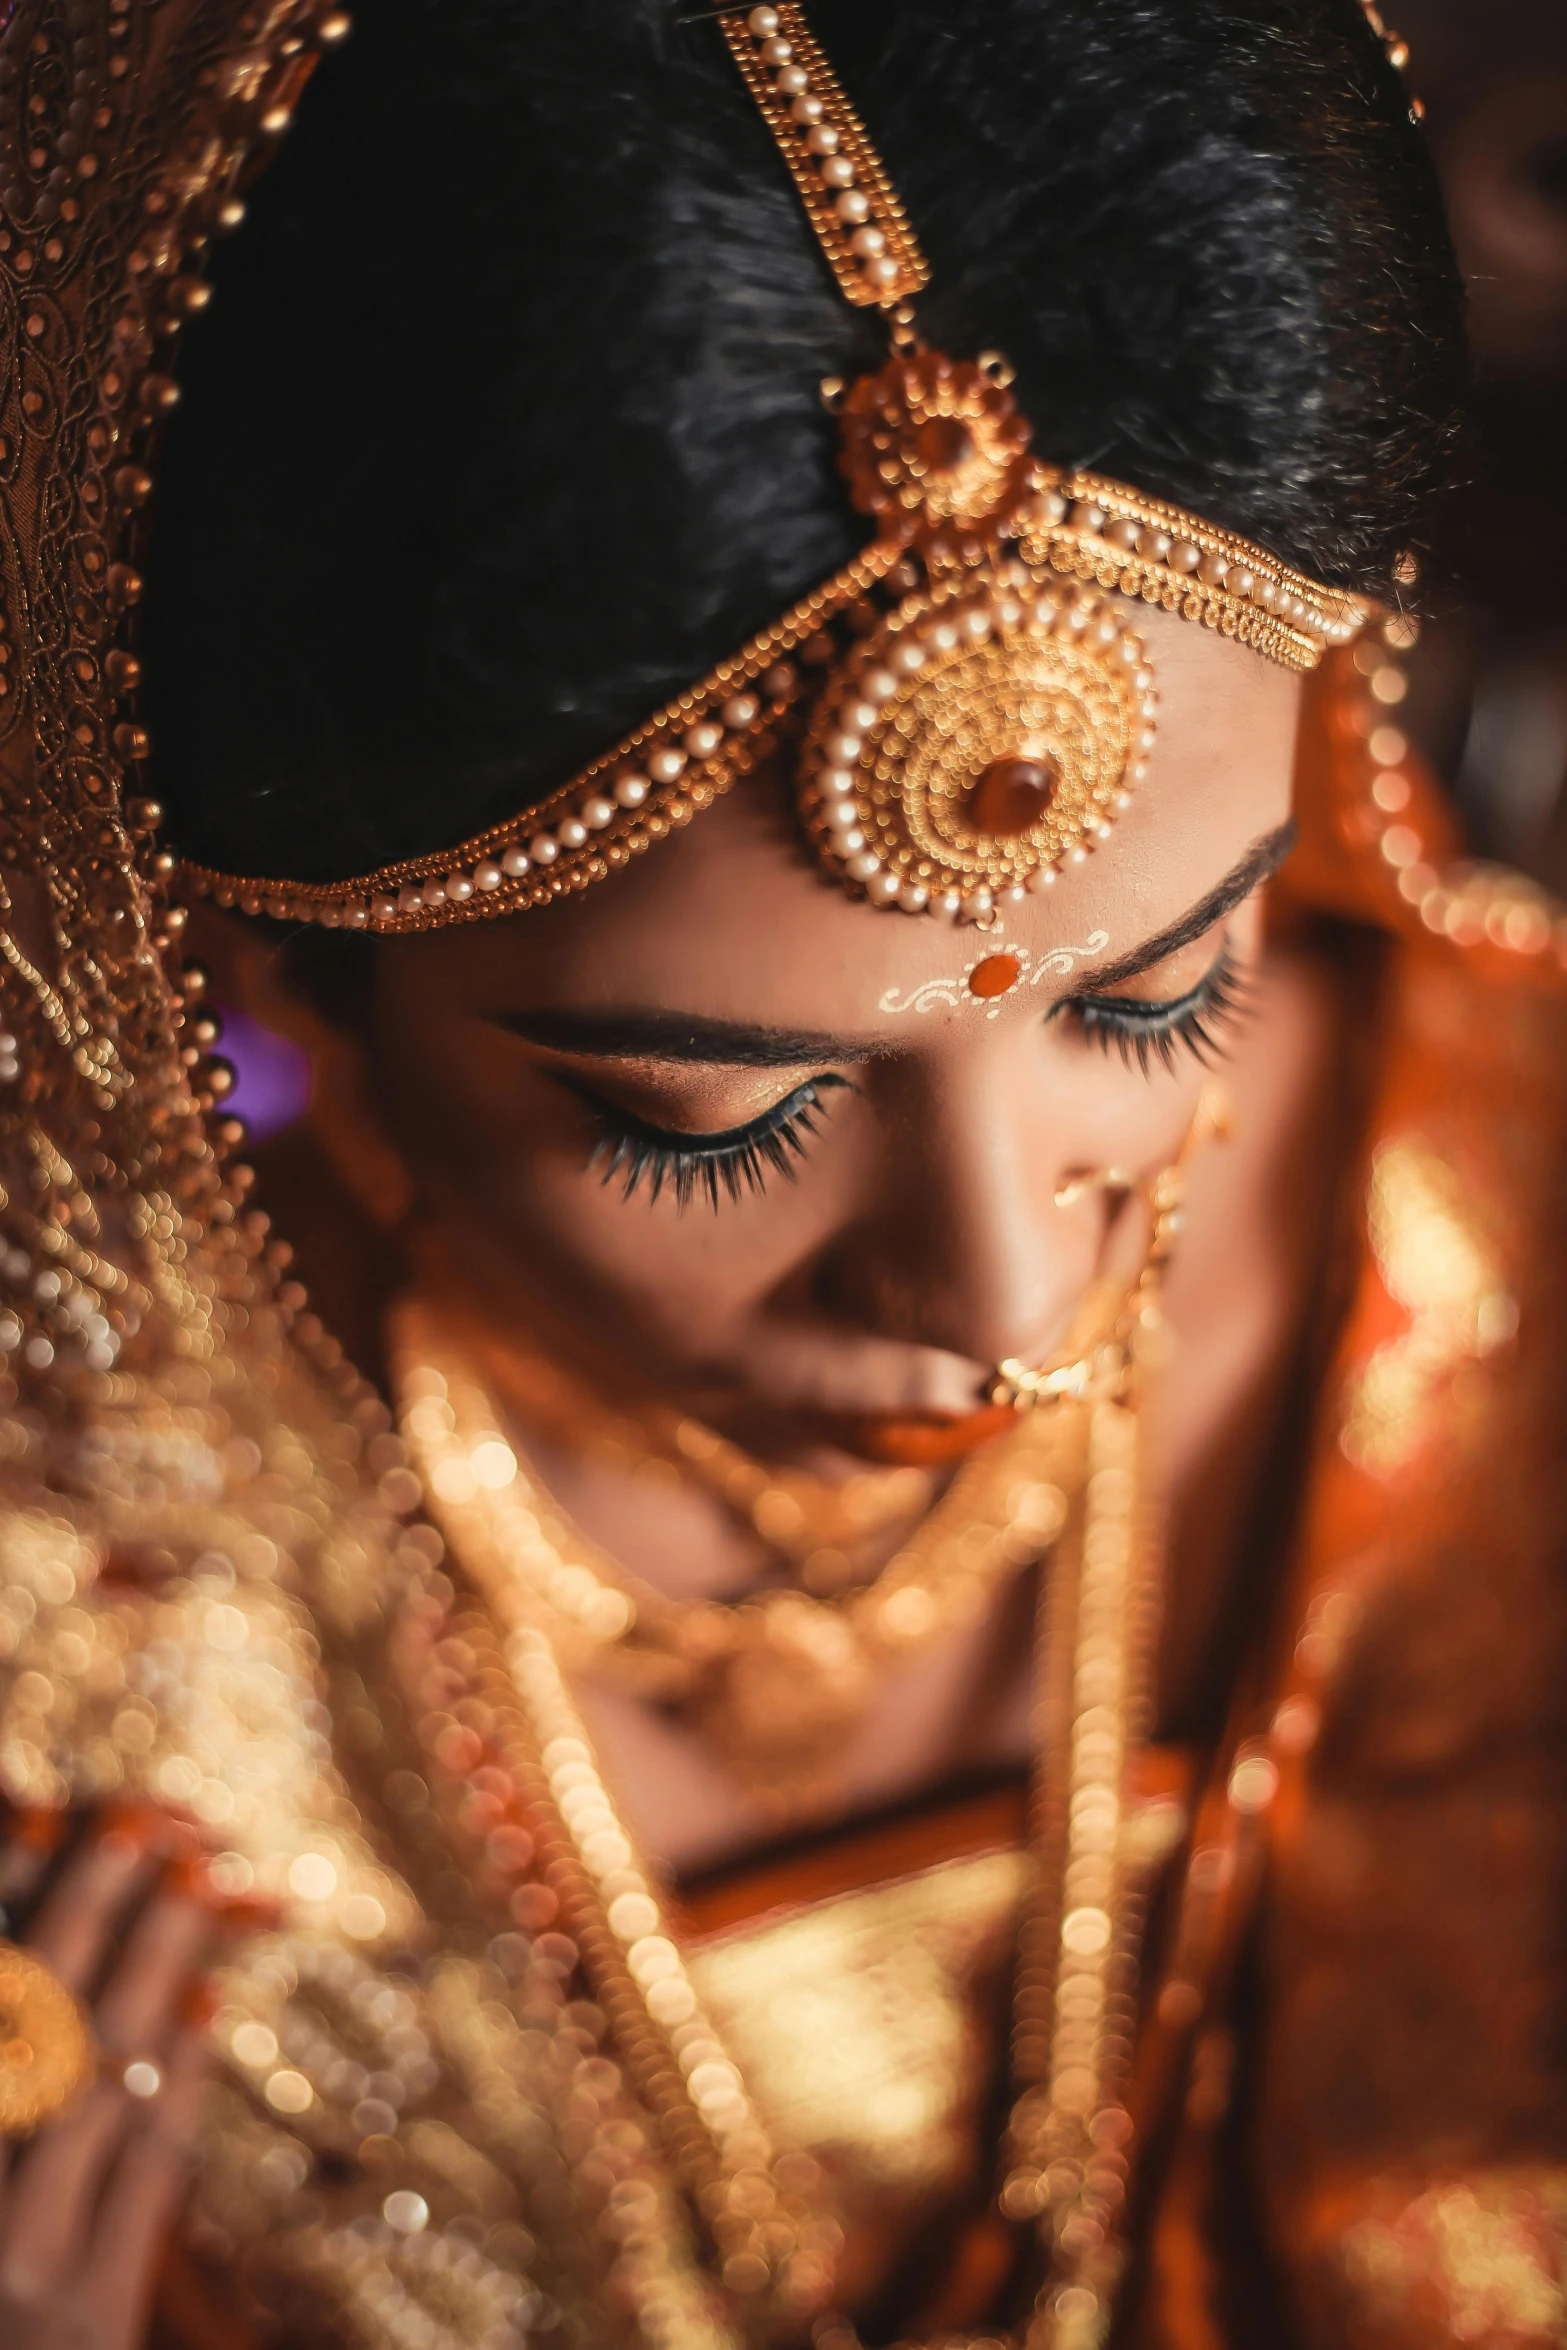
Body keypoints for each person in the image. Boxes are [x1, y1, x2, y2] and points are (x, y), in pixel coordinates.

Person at [0, 1, 1561, 2346]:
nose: (1006, 1302)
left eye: (1154, 994)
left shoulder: (1512, 1247)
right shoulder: (85, 1628)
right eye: (713, 1116)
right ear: (248, 957)